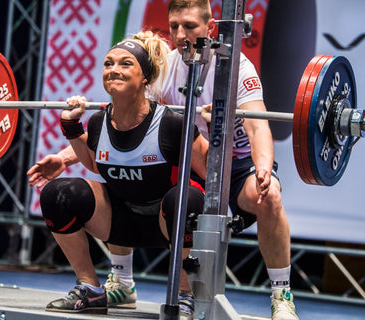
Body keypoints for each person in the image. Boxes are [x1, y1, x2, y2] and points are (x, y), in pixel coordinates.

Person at [105, 1, 299, 320]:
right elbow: (128, 118)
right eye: (175, 27)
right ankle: (123, 281)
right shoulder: (164, 67)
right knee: (124, 174)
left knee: (269, 197)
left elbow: (257, 123)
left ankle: (282, 294)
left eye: (190, 26)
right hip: (189, 159)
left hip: (235, 166)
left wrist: (264, 165)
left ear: (210, 27)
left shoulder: (239, 67)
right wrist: (68, 153)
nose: (181, 34)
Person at [27, 31, 210, 315]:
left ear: (145, 77)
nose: (114, 70)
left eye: (125, 64)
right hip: (120, 222)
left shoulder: (172, 125)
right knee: (58, 194)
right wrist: (71, 128)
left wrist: (223, 134)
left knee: (187, 198)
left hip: (168, 224)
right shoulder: (98, 122)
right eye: (108, 63)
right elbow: (93, 164)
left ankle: (184, 296)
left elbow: (211, 172)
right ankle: (90, 288)